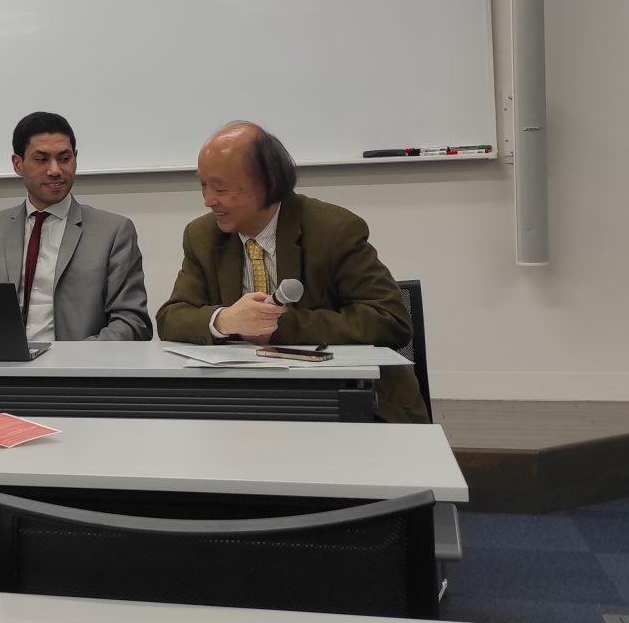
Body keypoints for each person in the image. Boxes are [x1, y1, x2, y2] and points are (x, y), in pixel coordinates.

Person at [155, 121, 428, 423]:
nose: (208, 200)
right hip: (242, 401)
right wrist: (225, 320)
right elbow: (171, 318)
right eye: (203, 185)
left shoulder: (333, 229)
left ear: (268, 181)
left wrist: (276, 327)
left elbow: (390, 320)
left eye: (220, 188)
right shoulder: (202, 236)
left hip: (343, 399)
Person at [0, 112, 151, 341]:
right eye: (42, 159)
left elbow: (132, 321)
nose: (55, 170)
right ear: (18, 164)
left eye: (64, 158)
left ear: (75, 158)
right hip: (3, 360)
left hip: (80, 361)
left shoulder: (113, 232)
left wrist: (77, 356)